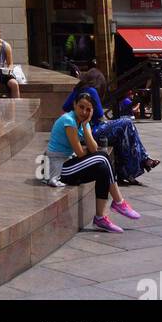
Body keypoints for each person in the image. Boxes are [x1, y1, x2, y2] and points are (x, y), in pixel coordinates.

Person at [46, 93, 141, 232]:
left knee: (102, 168)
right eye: (81, 107)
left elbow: (93, 148)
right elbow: (80, 153)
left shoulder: (83, 122)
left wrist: (85, 126)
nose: (84, 112)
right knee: (102, 158)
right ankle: (119, 202)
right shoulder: (69, 121)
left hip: (69, 163)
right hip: (58, 169)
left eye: (88, 109)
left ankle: (100, 218)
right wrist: (91, 153)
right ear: (74, 105)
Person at [62, 71, 159, 185]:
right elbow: (98, 114)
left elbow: (65, 107)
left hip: (81, 131)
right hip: (91, 130)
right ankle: (142, 160)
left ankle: (126, 172)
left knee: (121, 134)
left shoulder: (77, 89)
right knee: (127, 123)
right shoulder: (92, 90)